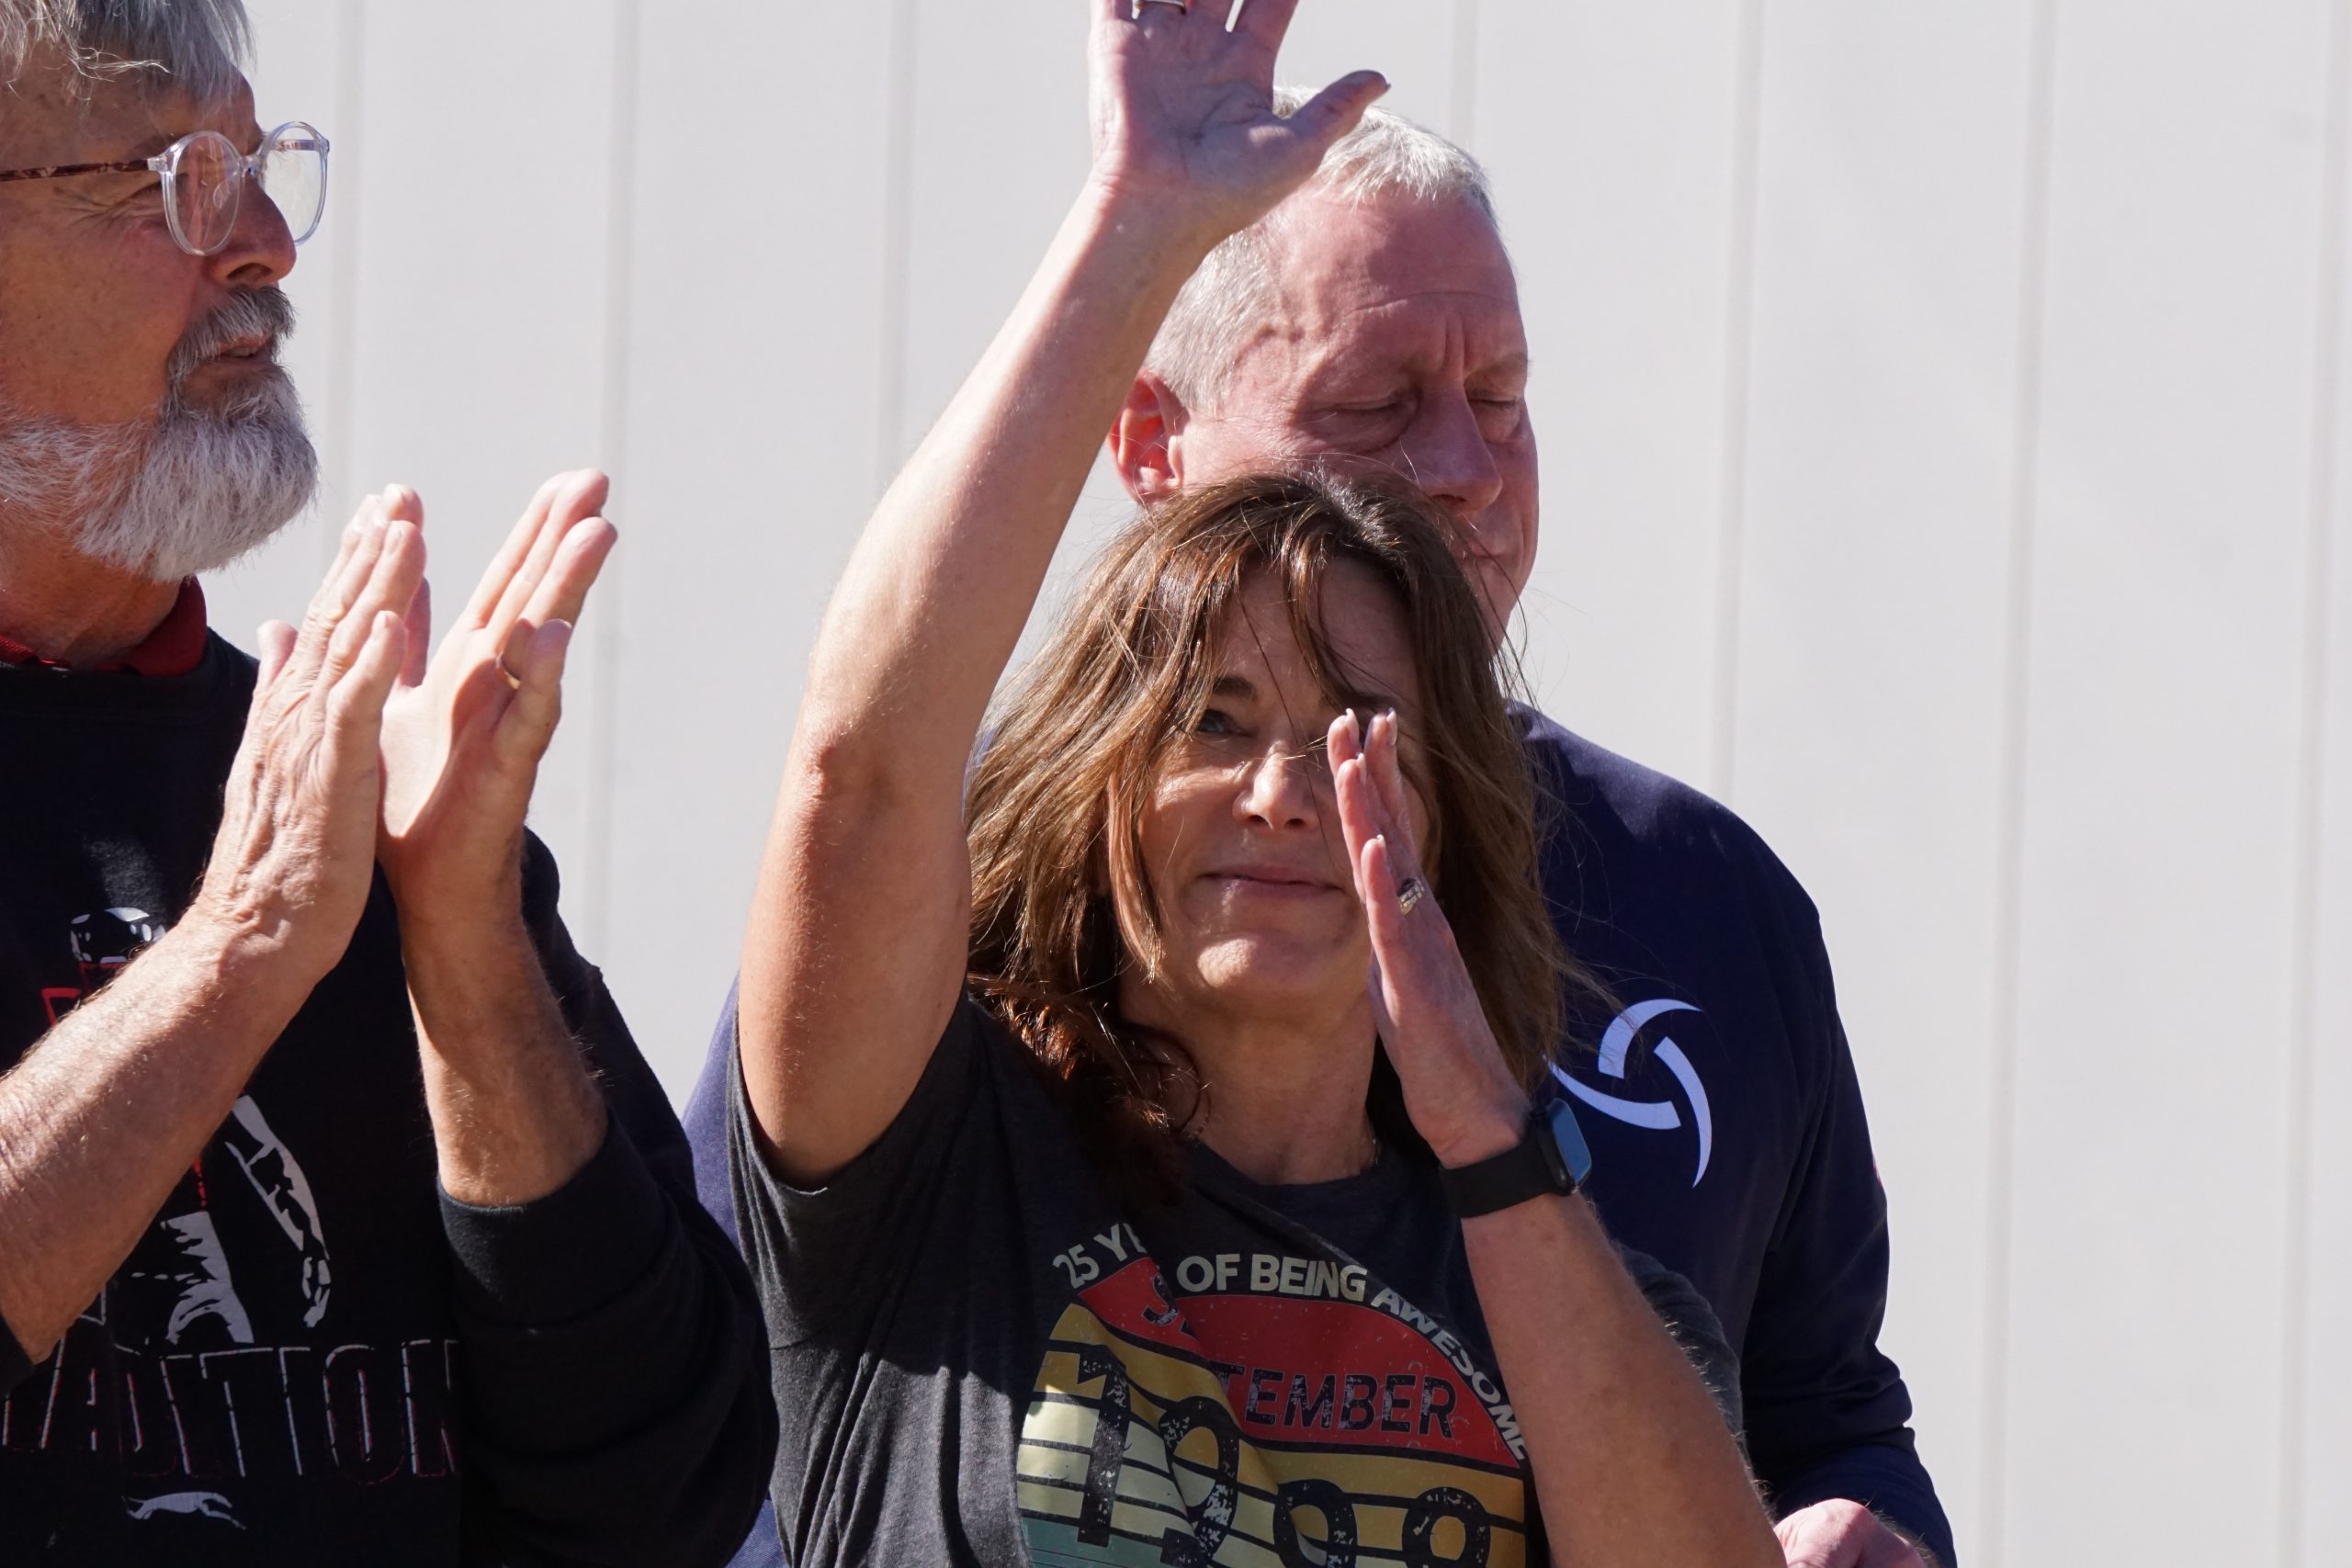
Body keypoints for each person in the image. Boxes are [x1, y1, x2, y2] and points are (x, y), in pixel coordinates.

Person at [686, 32, 1953, 1568]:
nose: (1466, 468)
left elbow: (1819, 1413)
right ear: (1104, 764)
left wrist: (1492, 1133)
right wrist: (1135, 224)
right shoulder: (940, 1139)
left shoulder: (1681, 962)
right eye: (1216, 718)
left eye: (1367, 735)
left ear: (1462, 823)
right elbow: (864, 768)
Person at [0, 4, 771, 1561]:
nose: (269, 244)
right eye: (180, 176)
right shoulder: (290, 860)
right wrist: (241, 949)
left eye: (264, 167)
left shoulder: (344, 783)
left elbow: (671, 1489)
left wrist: (470, 950)